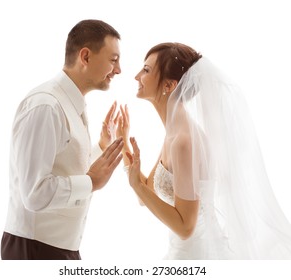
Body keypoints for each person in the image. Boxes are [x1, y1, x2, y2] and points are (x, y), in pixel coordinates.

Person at [118, 42, 291, 259]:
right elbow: (146, 196)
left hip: (197, 254)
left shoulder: (183, 141)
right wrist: (122, 141)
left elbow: (185, 227)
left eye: (146, 70)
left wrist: (135, 185)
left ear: (169, 86)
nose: (136, 76)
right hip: (183, 249)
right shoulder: (173, 133)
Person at [1, 19, 124, 260]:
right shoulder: (46, 105)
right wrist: (90, 182)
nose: (119, 70)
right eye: (113, 60)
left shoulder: (70, 102)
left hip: (58, 249)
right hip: (34, 250)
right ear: (85, 57)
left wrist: (101, 146)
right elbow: (34, 193)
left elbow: (65, 166)